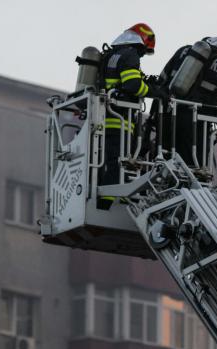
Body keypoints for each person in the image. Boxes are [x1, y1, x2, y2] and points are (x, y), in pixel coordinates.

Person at [158, 34, 217, 166]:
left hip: (166, 116)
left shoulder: (183, 51)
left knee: (167, 161)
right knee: (194, 165)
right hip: (196, 122)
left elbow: (161, 81)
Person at [97, 22, 157, 209]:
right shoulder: (130, 54)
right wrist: (153, 91)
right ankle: (108, 205)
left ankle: (119, 198)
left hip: (106, 116)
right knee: (120, 161)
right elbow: (133, 85)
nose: (141, 55)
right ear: (140, 42)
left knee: (114, 159)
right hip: (120, 118)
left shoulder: (111, 55)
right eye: (143, 50)